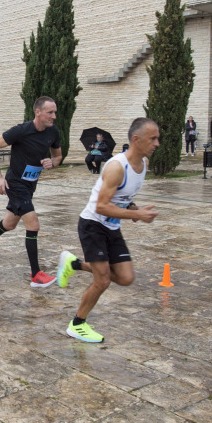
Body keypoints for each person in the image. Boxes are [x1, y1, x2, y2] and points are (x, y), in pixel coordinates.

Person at [56, 117, 160, 343]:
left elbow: (121, 199)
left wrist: (133, 208)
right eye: (152, 138)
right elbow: (101, 205)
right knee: (102, 280)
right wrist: (137, 215)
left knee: (125, 278)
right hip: (92, 224)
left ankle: (74, 264)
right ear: (136, 139)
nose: (157, 143)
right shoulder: (116, 166)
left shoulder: (142, 166)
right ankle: (77, 324)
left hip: (112, 226)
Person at [0, 96, 62, 287]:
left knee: (9, 224)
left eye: (55, 112)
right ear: (38, 112)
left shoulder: (53, 132)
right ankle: (36, 274)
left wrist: (52, 162)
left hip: (30, 185)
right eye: (50, 112)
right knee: (33, 224)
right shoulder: (21, 131)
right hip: (15, 183)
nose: (54, 116)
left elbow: (58, 155)